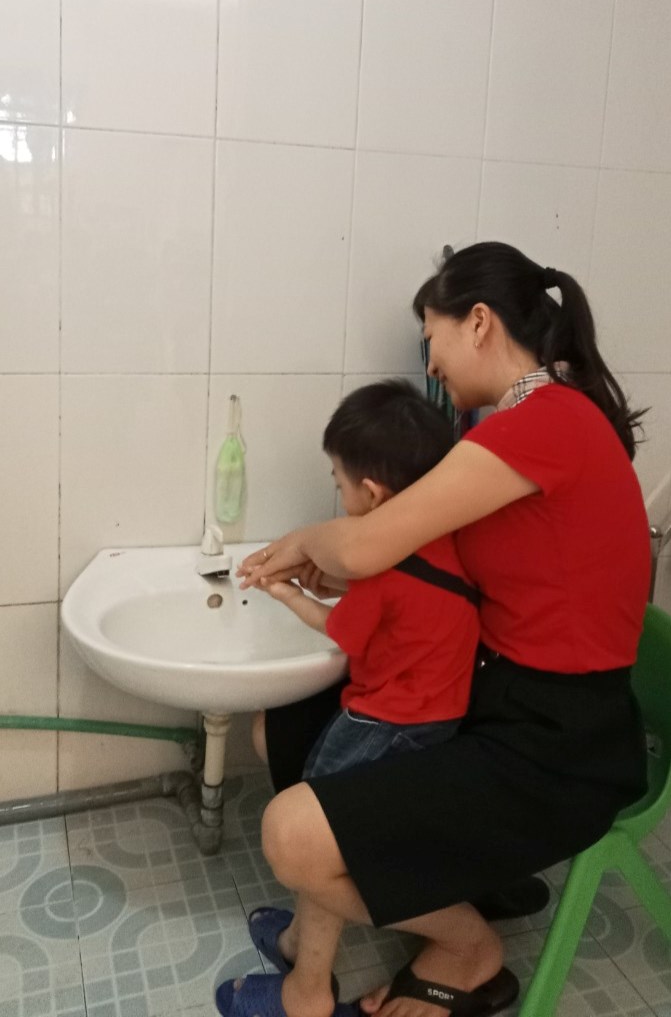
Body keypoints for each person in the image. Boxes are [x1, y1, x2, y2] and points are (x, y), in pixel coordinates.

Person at [216, 242, 650, 1017]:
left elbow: (367, 544)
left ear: (477, 322)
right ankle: (422, 883)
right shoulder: (526, 423)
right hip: (491, 695)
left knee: (292, 833)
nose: (430, 361)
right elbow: (438, 564)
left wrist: (307, 543)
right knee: (277, 730)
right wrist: (338, 565)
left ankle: (467, 946)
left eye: (432, 335)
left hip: (556, 744)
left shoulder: (544, 421)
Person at [260, 379, 480, 779]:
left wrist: (287, 594)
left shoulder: (379, 561)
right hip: (443, 712)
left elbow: (339, 630)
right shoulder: (442, 537)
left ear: (372, 494)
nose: (340, 496)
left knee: (319, 789)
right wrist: (334, 585)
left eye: (339, 485)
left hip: (389, 716)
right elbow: (409, 606)